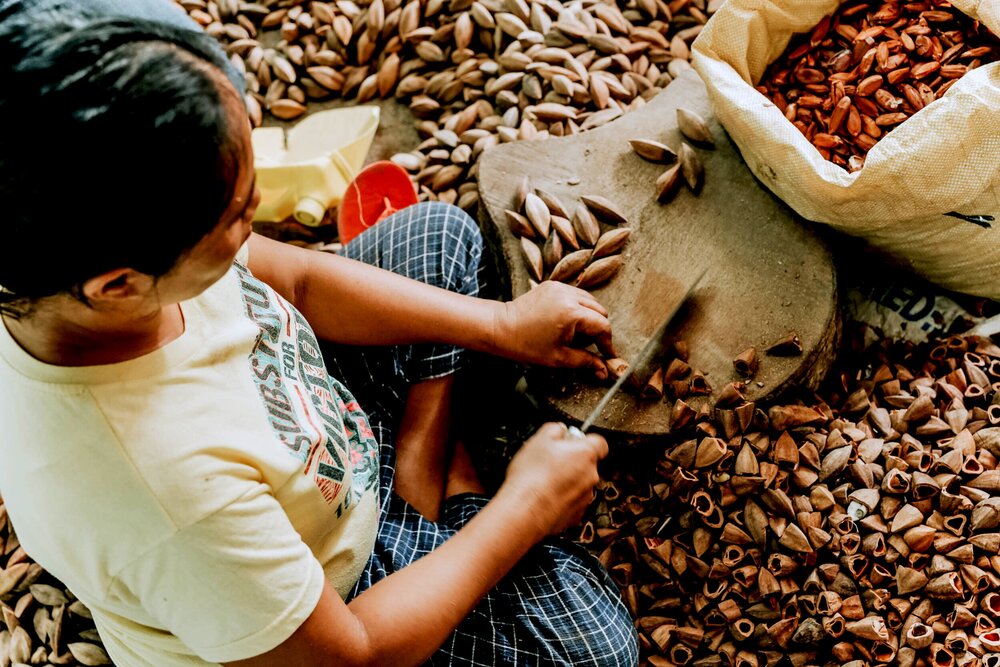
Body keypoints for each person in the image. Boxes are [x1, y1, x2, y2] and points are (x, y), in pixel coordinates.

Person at [0, 2, 640, 666]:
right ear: (119, 286)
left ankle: (425, 468)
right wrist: (523, 508)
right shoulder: (164, 496)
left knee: (440, 238)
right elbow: (353, 652)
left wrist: (502, 326)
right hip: (339, 593)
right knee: (592, 645)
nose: (256, 214)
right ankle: (455, 494)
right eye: (241, 213)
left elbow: (301, 280)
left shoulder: (90, 264)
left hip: (323, 441)